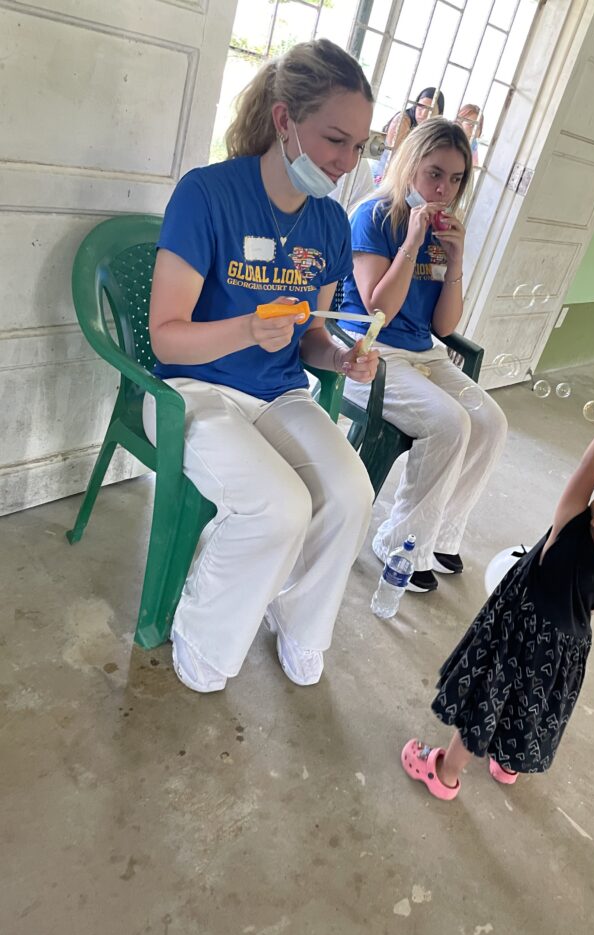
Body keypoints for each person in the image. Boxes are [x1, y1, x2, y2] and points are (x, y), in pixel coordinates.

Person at [143, 39, 378, 693]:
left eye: (360, 147)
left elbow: (311, 340)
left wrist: (341, 356)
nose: (346, 163)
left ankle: (300, 625)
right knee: (278, 506)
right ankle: (204, 636)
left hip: (279, 395)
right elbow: (166, 340)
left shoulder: (331, 224)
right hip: (192, 391)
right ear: (283, 120)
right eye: (335, 139)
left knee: (353, 493)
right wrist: (247, 326)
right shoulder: (207, 194)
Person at [401, 386, 594, 800]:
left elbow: (591, 464)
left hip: (517, 636)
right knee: (528, 706)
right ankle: (507, 762)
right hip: (563, 651)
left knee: (487, 702)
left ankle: (444, 773)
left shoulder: (568, 532)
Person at [339, 118, 508, 593]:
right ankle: (401, 543)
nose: (443, 190)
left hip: (423, 353)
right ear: (409, 164)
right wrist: (411, 244)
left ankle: (438, 536)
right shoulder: (372, 217)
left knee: (491, 422)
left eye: (455, 179)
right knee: (450, 422)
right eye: (434, 173)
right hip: (369, 353)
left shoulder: (444, 228)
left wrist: (455, 261)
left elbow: (444, 327)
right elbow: (380, 310)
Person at [372, 87, 445, 184]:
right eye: (420, 106)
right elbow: (396, 156)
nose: (423, 113)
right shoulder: (402, 121)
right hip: (383, 178)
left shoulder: (432, 132)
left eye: (429, 109)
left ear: (439, 114)